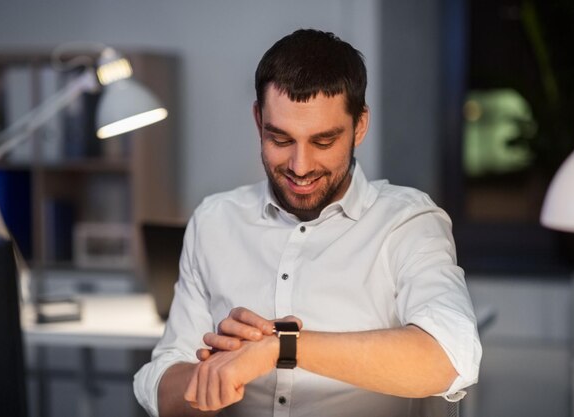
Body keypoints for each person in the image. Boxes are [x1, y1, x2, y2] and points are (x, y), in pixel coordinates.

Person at [134, 28, 482, 417]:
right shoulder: (215, 222)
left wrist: (281, 347)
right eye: (280, 140)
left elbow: (450, 357)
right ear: (257, 121)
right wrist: (215, 373)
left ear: (360, 126)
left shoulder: (408, 222)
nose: (300, 167)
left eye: (323, 142)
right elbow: (162, 382)